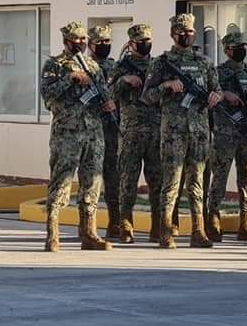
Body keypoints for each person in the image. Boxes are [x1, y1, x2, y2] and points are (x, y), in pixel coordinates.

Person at [142, 13, 222, 249]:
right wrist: (166, 86)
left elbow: (217, 89)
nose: (186, 35)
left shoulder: (204, 63)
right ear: (173, 34)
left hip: (199, 131)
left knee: (197, 182)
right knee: (172, 181)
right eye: (182, 32)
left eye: (190, 31)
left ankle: (198, 230)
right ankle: (166, 230)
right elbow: (147, 96)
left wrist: (215, 96)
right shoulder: (162, 63)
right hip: (173, 132)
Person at [38, 22, 113, 252]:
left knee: (92, 182)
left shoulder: (92, 65)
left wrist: (108, 104)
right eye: (76, 39)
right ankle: (53, 233)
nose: (80, 43)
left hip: (93, 132)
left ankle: (89, 233)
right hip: (68, 133)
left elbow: (103, 93)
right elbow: (47, 95)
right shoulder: (55, 65)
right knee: (61, 180)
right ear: (66, 41)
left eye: (83, 39)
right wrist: (70, 78)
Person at [205, 30, 247, 242]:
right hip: (225, 133)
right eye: (236, 47)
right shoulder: (217, 73)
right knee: (219, 178)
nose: (241, 50)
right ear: (227, 50)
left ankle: (246, 223)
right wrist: (223, 94)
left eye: (243, 47)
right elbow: (208, 96)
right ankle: (213, 220)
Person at [109, 24, 162, 243]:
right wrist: (124, 80)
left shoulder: (158, 65)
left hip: (156, 130)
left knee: (157, 181)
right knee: (128, 180)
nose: (145, 44)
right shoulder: (121, 66)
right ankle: (125, 224)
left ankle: (157, 225)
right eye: (141, 41)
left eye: (148, 40)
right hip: (131, 130)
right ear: (131, 43)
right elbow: (108, 94)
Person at [89, 25, 120, 240]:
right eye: (99, 42)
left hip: (112, 129)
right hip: (91, 128)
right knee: (90, 178)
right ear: (91, 45)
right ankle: (88, 223)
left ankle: (115, 222)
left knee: (113, 177)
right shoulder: (84, 67)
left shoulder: (116, 67)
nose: (104, 45)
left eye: (107, 41)